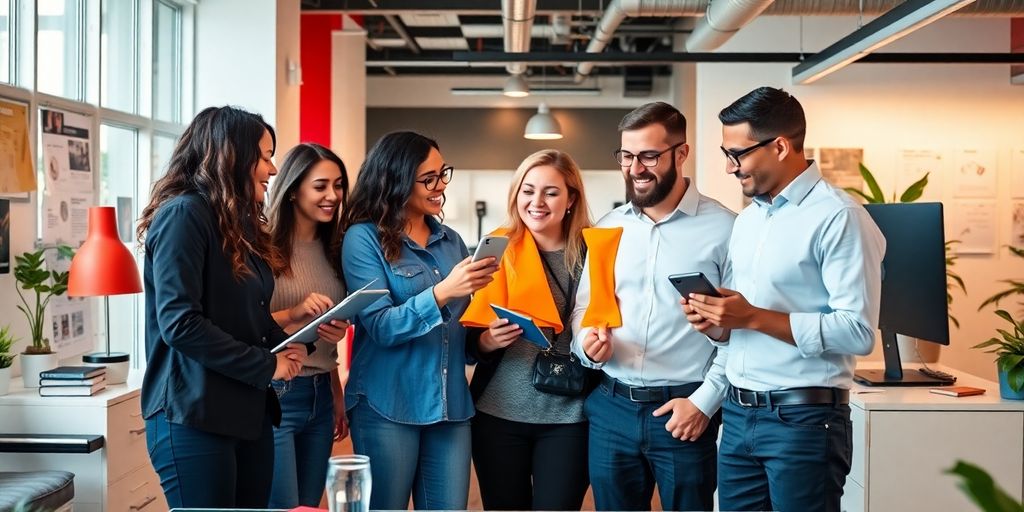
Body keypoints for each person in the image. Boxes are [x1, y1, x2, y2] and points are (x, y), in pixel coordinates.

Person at [684, 86, 885, 512]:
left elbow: (858, 330)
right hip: (738, 416)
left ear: (779, 146)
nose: (728, 167)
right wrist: (719, 322)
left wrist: (753, 317)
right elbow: (743, 321)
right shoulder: (751, 218)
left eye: (737, 154)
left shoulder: (839, 217)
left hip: (804, 422)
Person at [137, 106, 307, 508]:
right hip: (193, 415)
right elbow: (181, 325)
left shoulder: (238, 223)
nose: (273, 168)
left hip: (246, 413)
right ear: (232, 157)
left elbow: (243, 315)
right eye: (264, 157)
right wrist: (267, 365)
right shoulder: (183, 215)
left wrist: (287, 343)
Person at [570, 101, 735, 511]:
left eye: (648, 156)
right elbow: (584, 308)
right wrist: (584, 345)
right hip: (610, 407)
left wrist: (704, 402)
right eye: (626, 156)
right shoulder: (608, 227)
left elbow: (742, 332)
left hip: (684, 410)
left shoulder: (727, 228)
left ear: (681, 153)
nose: (635, 168)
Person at [340, 131, 498, 510]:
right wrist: (444, 291)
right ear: (395, 179)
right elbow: (380, 326)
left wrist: (487, 339)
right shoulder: (363, 239)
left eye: (443, 173)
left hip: (450, 406)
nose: (440, 185)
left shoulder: (452, 241)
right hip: (386, 403)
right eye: (428, 178)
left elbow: (461, 329)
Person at [460, 149, 593, 511]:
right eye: (527, 190)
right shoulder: (495, 251)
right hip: (498, 414)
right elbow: (468, 341)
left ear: (571, 199)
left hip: (570, 418)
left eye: (550, 192)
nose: (537, 202)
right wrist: (488, 340)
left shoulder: (595, 252)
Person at [264, 143, 351, 508]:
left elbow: (324, 340)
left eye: (339, 185)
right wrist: (297, 312)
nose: (332, 195)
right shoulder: (261, 244)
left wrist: (335, 396)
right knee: (284, 506)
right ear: (293, 188)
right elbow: (241, 325)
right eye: (320, 186)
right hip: (276, 391)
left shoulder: (337, 247)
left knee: (310, 506)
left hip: (319, 390)